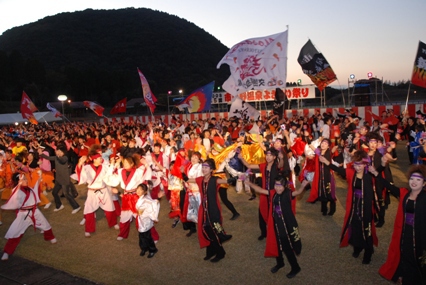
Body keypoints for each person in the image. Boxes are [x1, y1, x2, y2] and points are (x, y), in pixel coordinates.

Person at [319, 150, 380, 264]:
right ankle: (357, 247)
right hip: (354, 205)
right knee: (355, 226)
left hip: (365, 207)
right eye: (356, 164)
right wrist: (327, 162)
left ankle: (368, 251)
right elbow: (339, 170)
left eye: (360, 164)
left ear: (365, 164)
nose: (358, 167)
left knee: (366, 229)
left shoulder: (369, 176)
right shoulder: (352, 173)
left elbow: (379, 179)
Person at [245, 176, 307, 279]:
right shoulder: (273, 192)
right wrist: (250, 184)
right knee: (277, 245)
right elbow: (261, 190)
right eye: (276, 185)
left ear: (285, 185)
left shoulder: (288, 193)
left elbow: (297, 193)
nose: (278, 188)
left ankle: (296, 267)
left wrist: (303, 186)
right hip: (276, 224)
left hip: (285, 226)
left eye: (280, 186)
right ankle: (280, 263)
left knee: (287, 248)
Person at [374, 163, 426, 284]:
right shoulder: (404, 194)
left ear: (424, 183)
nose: (414, 182)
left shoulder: (424, 198)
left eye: (418, 180)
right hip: (405, 231)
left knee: (418, 259)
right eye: (412, 179)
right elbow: (388, 186)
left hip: (420, 235)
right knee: (405, 255)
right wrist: (376, 174)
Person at [183, 158, 233, 263]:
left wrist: (234, 178)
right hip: (204, 209)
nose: (204, 169)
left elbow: (226, 180)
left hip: (213, 209)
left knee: (213, 229)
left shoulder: (214, 180)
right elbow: (187, 180)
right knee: (204, 229)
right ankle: (211, 250)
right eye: (203, 167)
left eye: (207, 167)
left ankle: (220, 252)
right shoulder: (200, 179)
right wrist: (183, 171)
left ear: (211, 169)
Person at [1, 173, 57, 261]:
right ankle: (6, 252)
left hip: (34, 211)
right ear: (18, 181)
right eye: (23, 180)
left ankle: (50, 237)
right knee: (15, 232)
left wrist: (39, 179)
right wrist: (18, 186)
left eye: (26, 179)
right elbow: (15, 198)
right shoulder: (16, 190)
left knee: (45, 224)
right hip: (23, 214)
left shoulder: (29, 189)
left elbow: (35, 190)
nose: (26, 181)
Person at [75, 149, 119, 237]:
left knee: (109, 207)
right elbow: (80, 172)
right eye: (99, 158)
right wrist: (80, 163)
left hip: (103, 190)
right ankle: (89, 229)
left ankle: (113, 223)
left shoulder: (104, 167)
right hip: (92, 192)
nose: (101, 159)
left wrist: (114, 163)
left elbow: (111, 172)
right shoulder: (87, 167)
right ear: (94, 159)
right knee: (89, 210)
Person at [40, 145, 81, 214]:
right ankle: (59, 205)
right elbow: (48, 157)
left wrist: (58, 155)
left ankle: (76, 206)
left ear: (62, 152)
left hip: (64, 179)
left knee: (66, 194)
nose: (57, 152)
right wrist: (41, 153)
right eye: (57, 151)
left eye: (59, 151)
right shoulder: (56, 157)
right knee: (54, 192)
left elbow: (61, 161)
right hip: (58, 179)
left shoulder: (65, 158)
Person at [306, 138, 337, 216]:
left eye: (326, 144)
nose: (323, 144)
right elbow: (311, 146)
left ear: (328, 146)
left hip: (328, 176)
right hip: (320, 176)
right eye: (322, 143)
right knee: (322, 192)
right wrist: (307, 139)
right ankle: (324, 209)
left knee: (330, 192)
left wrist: (335, 140)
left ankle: (332, 209)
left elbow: (334, 148)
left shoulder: (329, 152)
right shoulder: (318, 152)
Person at [136, 183, 160, 258]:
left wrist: (158, 199)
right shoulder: (140, 198)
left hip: (146, 220)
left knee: (147, 236)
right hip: (140, 219)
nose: (138, 191)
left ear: (145, 191)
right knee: (141, 236)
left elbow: (153, 204)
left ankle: (152, 249)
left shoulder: (146, 199)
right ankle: (144, 248)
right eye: (138, 189)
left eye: (141, 190)